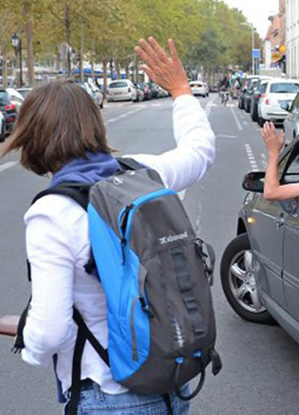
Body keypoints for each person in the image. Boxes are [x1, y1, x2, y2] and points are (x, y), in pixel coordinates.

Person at [0, 37, 215, 415]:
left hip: (108, 395)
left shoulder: (52, 213)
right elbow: (199, 152)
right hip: (171, 387)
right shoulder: (141, 172)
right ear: (93, 124)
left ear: (32, 135)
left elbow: (50, 330)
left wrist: (27, 338)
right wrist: (181, 91)